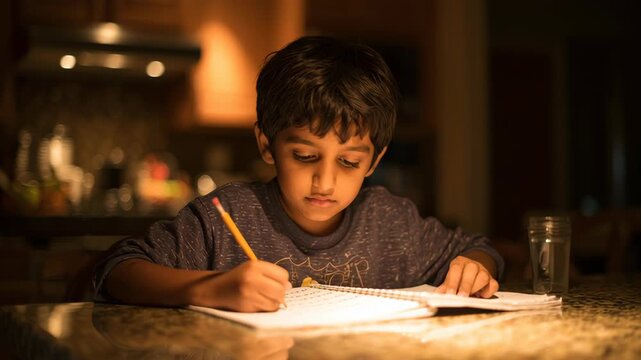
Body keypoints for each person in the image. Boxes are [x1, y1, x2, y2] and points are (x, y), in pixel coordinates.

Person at [94, 36, 504, 313]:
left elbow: (478, 248)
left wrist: (474, 265)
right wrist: (209, 289)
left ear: (374, 161)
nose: (325, 182)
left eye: (348, 162)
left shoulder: (391, 222)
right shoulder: (228, 217)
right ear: (267, 145)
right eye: (306, 156)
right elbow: (118, 270)